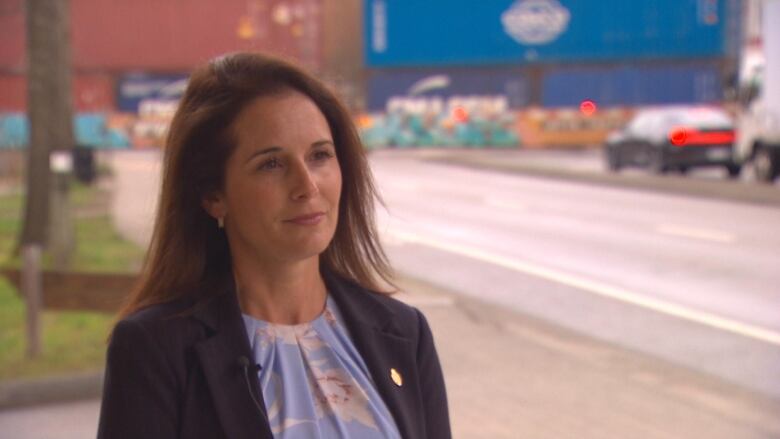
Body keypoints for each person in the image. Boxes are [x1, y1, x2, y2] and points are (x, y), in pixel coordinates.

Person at [96, 52, 451, 439]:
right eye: (271, 164)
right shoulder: (155, 351)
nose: (307, 186)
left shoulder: (403, 333)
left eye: (319, 156)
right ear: (213, 194)